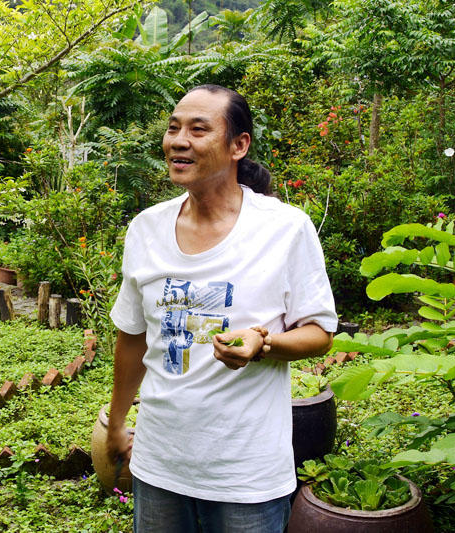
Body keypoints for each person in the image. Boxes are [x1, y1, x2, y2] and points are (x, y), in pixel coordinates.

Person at [106, 84, 338, 532]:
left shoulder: (285, 229)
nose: (178, 140)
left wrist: (263, 343)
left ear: (238, 145)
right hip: (159, 463)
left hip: (245, 474)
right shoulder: (146, 229)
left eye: (198, 129)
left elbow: (320, 333)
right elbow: (133, 338)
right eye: (173, 128)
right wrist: (117, 423)